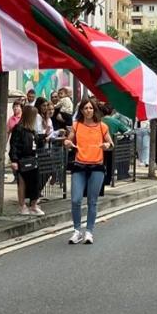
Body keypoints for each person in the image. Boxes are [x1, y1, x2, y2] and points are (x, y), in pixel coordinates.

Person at [64, 97, 112, 245]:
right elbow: (68, 141)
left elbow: (111, 143)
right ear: (81, 110)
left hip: (97, 166)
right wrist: (68, 143)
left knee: (92, 201)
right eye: (85, 108)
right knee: (75, 199)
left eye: (91, 108)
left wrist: (106, 145)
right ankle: (77, 230)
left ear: (94, 110)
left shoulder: (102, 126)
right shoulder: (76, 125)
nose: (88, 110)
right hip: (79, 165)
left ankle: (89, 231)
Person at [9, 103, 43, 216]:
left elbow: (37, 143)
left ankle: (33, 204)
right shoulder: (19, 129)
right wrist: (14, 160)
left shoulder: (32, 130)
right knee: (22, 183)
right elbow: (14, 145)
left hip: (32, 158)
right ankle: (22, 205)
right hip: (22, 159)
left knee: (35, 182)